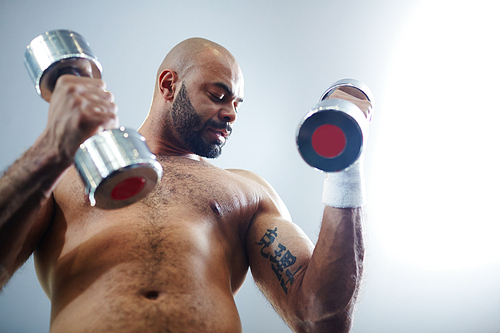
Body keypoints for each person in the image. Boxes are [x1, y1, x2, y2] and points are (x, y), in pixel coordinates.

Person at [0, 37, 372, 332]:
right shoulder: (66, 174)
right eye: (219, 95)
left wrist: (345, 158)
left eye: (237, 104)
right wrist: (51, 150)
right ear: (168, 85)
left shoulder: (247, 191)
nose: (231, 113)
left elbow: (322, 318)